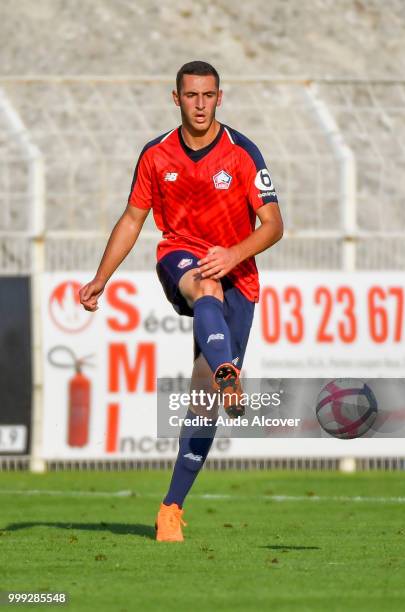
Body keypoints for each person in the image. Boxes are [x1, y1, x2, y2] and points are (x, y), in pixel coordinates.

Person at [79, 60, 283, 542]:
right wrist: (100, 278)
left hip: (240, 275)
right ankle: (227, 372)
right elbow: (132, 219)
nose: (199, 104)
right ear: (176, 99)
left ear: (219, 97)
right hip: (182, 259)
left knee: (203, 402)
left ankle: (171, 507)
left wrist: (233, 253)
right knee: (204, 288)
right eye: (190, 95)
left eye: (208, 95)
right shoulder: (157, 155)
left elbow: (273, 225)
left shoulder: (242, 153)